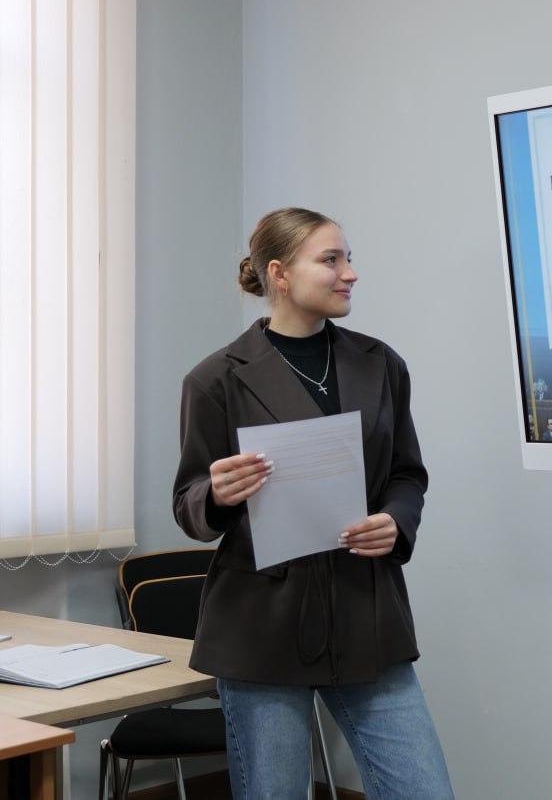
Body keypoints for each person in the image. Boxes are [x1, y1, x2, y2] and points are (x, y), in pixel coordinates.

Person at [172, 207, 453, 799]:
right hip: (261, 625)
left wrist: (395, 522)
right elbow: (188, 503)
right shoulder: (215, 378)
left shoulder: (381, 363)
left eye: (348, 258)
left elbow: (407, 474)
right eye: (331, 259)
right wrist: (217, 494)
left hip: (366, 614)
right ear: (279, 274)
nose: (350, 273)